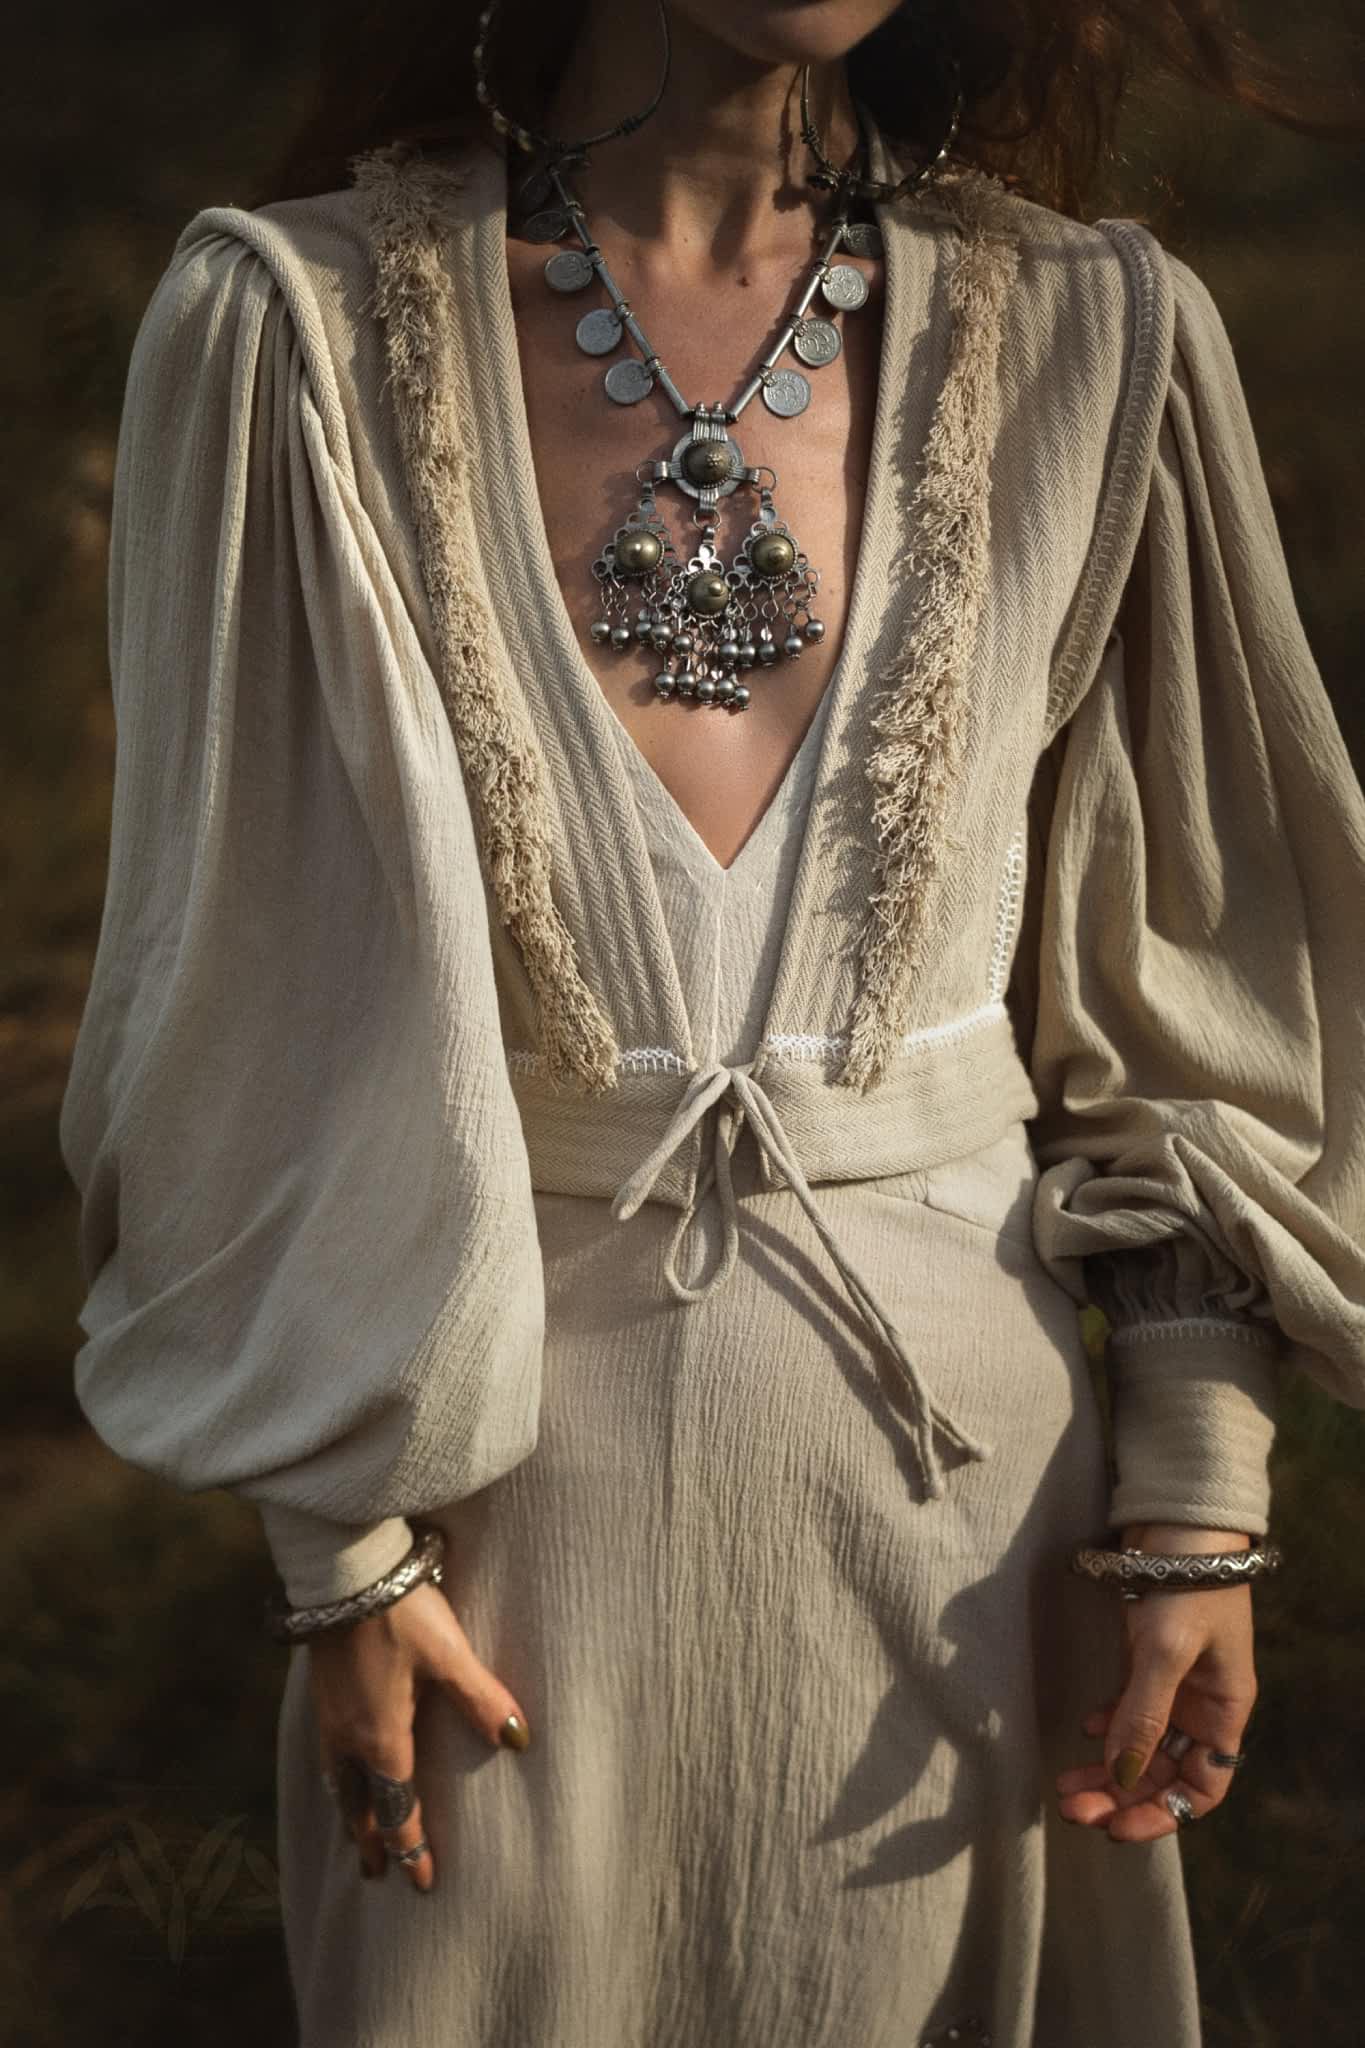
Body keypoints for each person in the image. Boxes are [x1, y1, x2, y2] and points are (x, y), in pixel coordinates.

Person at [58, 1, 1365, 2042]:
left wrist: (1192, 1488)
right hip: (489, 1547)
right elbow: (233, 1005)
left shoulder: (1101, 340)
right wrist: (345, 1548)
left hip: (977, 1538)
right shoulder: (289, 331)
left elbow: (1191, 1001)